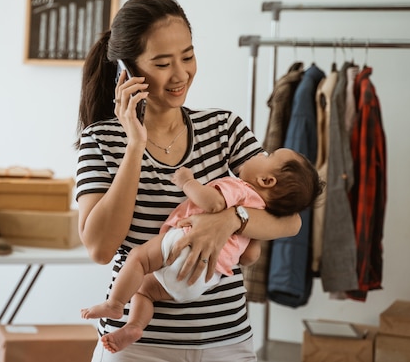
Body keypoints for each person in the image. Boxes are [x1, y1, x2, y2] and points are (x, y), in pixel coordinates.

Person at [75, 0, 302, 362]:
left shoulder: (224, 128)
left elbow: (289, 219)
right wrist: (135, 145)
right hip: (137, 348)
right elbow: (100, 248)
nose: (180, 74)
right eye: (162, 63)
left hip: (226, 341)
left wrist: (229, 219)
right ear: (127, 72)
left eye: (188, 56)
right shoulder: (101, 140)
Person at [81, 148, 323, 353]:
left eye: (267, 155)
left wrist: (187, 181)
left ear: (267, 181)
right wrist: (244, 229)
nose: (260, 152)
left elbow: (213, 202)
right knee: (146, 291)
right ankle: (134, 326)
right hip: (202, 280)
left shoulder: (239, 188)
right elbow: (250, 257)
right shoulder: (259, 214)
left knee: (138, 259)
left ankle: (115, 303)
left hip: (183, 246)